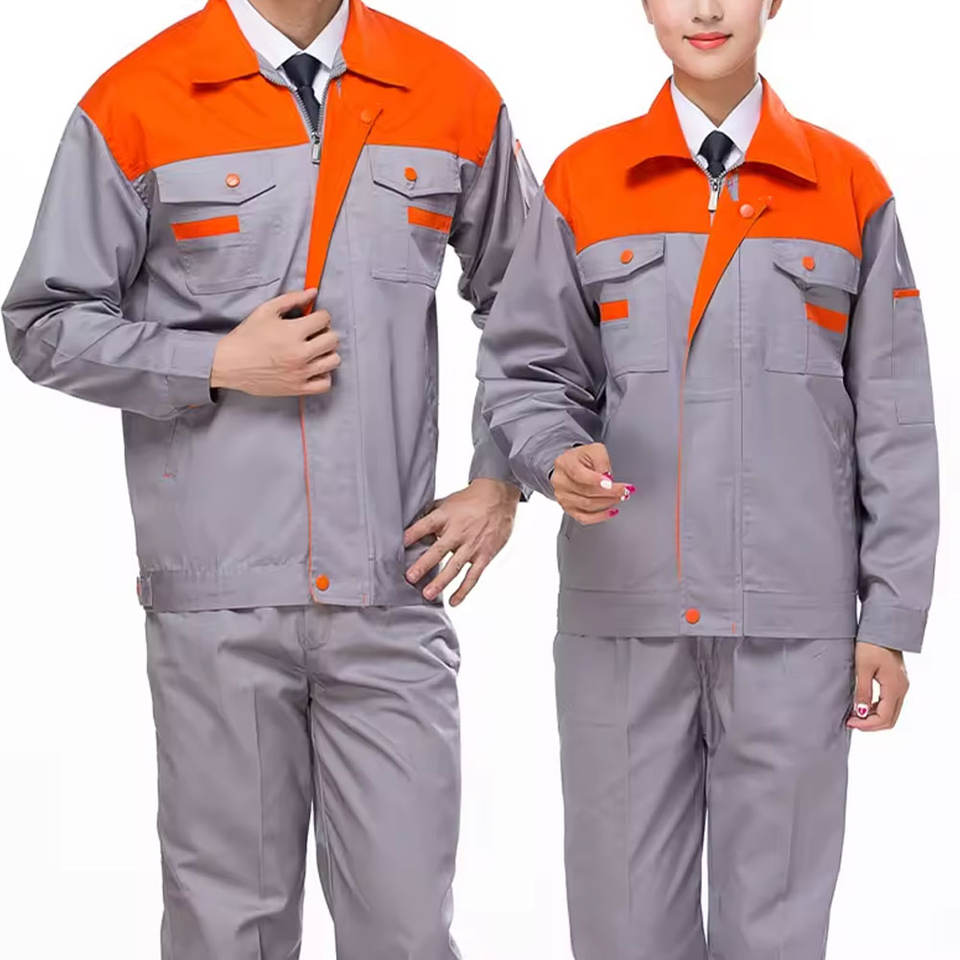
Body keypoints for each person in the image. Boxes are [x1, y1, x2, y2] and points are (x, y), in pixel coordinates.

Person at [2, 0, 537, 956]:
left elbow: (535, 304)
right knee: (226, 931)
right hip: (219, 605)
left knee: (408, 932)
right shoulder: (137, 99)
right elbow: (43, 323)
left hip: (391, 594)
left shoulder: (449, 91)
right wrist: (215, 363)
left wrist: (499, 479)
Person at [477, 0, 939, 957]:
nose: (705, 9)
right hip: (626, 616)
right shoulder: (586, 179)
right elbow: (525, 368)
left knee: (778, 934)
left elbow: (895, 419)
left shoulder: (848, 185)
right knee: (624, 930)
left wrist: (890, 622)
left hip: (793, 627)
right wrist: (553, 453)